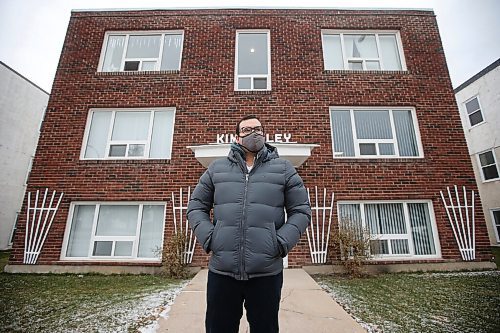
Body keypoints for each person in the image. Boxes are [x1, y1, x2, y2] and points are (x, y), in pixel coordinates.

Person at [187, 114, 311, 333]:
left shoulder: (284, 169)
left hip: (266, 274)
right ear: (236, 138)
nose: (253, 134)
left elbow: (301, 211)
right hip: (222, 272)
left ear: (264, 134)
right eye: (246, 130)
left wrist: (280, 243)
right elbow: (196, 206)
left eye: (258, 129)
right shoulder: (217, 169)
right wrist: (210, 237)